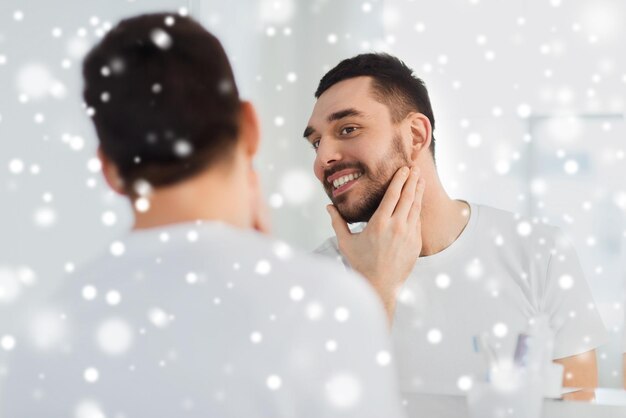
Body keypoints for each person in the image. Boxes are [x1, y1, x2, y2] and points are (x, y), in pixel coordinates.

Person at [0, 16, 419, 418]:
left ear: (109, 169)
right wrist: (374, 296)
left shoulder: (41, 339)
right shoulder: (322, 306)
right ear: (250, 127)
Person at [303, 52, 609, 393]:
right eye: (316, 142)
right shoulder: (316, 278)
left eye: (348, 129)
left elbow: (579, 407)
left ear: (416, 135)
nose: (322, 158)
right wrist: (376, 289)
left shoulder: (541, 253)